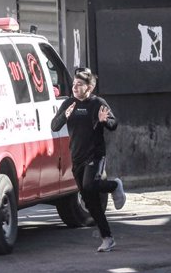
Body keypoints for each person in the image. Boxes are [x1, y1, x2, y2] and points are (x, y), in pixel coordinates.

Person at [51, 67, 126, 252]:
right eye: (74, 84)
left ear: (89, 87)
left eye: (79, 84)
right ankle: (107, 238)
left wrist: (103, 120)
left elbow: (114, 124)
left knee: (90, 185)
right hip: (77, 157)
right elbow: (54, 126)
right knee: (90, 201)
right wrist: (64, 116)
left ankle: (114, 185)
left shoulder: (97, 103)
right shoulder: (69, 103)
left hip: (95, 155)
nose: (75, 87)